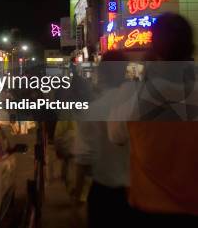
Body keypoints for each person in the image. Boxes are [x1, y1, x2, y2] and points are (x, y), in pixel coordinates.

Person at [108, 13, 198, 224]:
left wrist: (139, 67)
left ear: (154, 48)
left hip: (149, 208)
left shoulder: (138, 94)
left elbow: (115, 134)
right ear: (191, 48)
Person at [72, 50, 132, 227]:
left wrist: (76, 200)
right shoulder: (139, 105)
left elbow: (83, 158)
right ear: (125, 72)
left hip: (103, 194)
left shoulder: (94, 110)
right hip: (138, 194)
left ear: (101, 73)